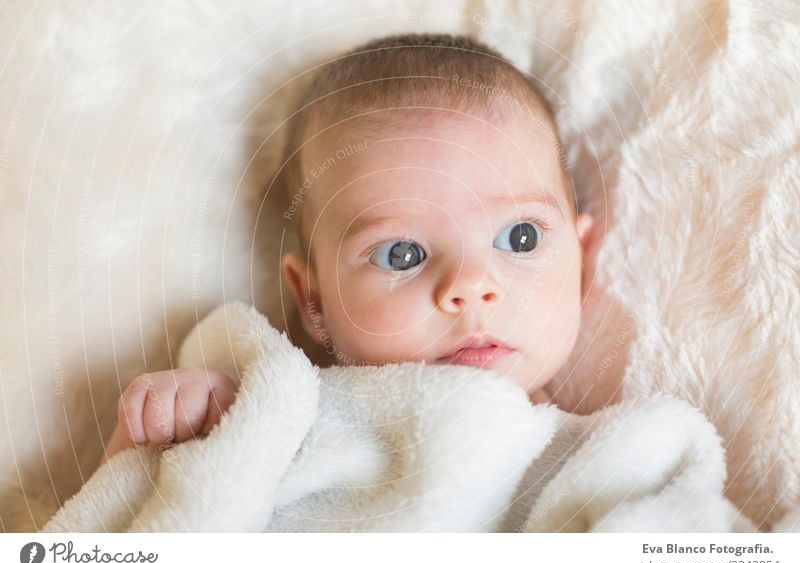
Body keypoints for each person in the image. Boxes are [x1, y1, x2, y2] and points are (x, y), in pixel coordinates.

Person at [100, 32, 596, 465]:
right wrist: (154, 441)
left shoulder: (606, 458)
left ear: (582, 262)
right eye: (402, 254)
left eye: (520, 238)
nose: (470, 286)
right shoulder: (274, 420)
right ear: (315, 304)